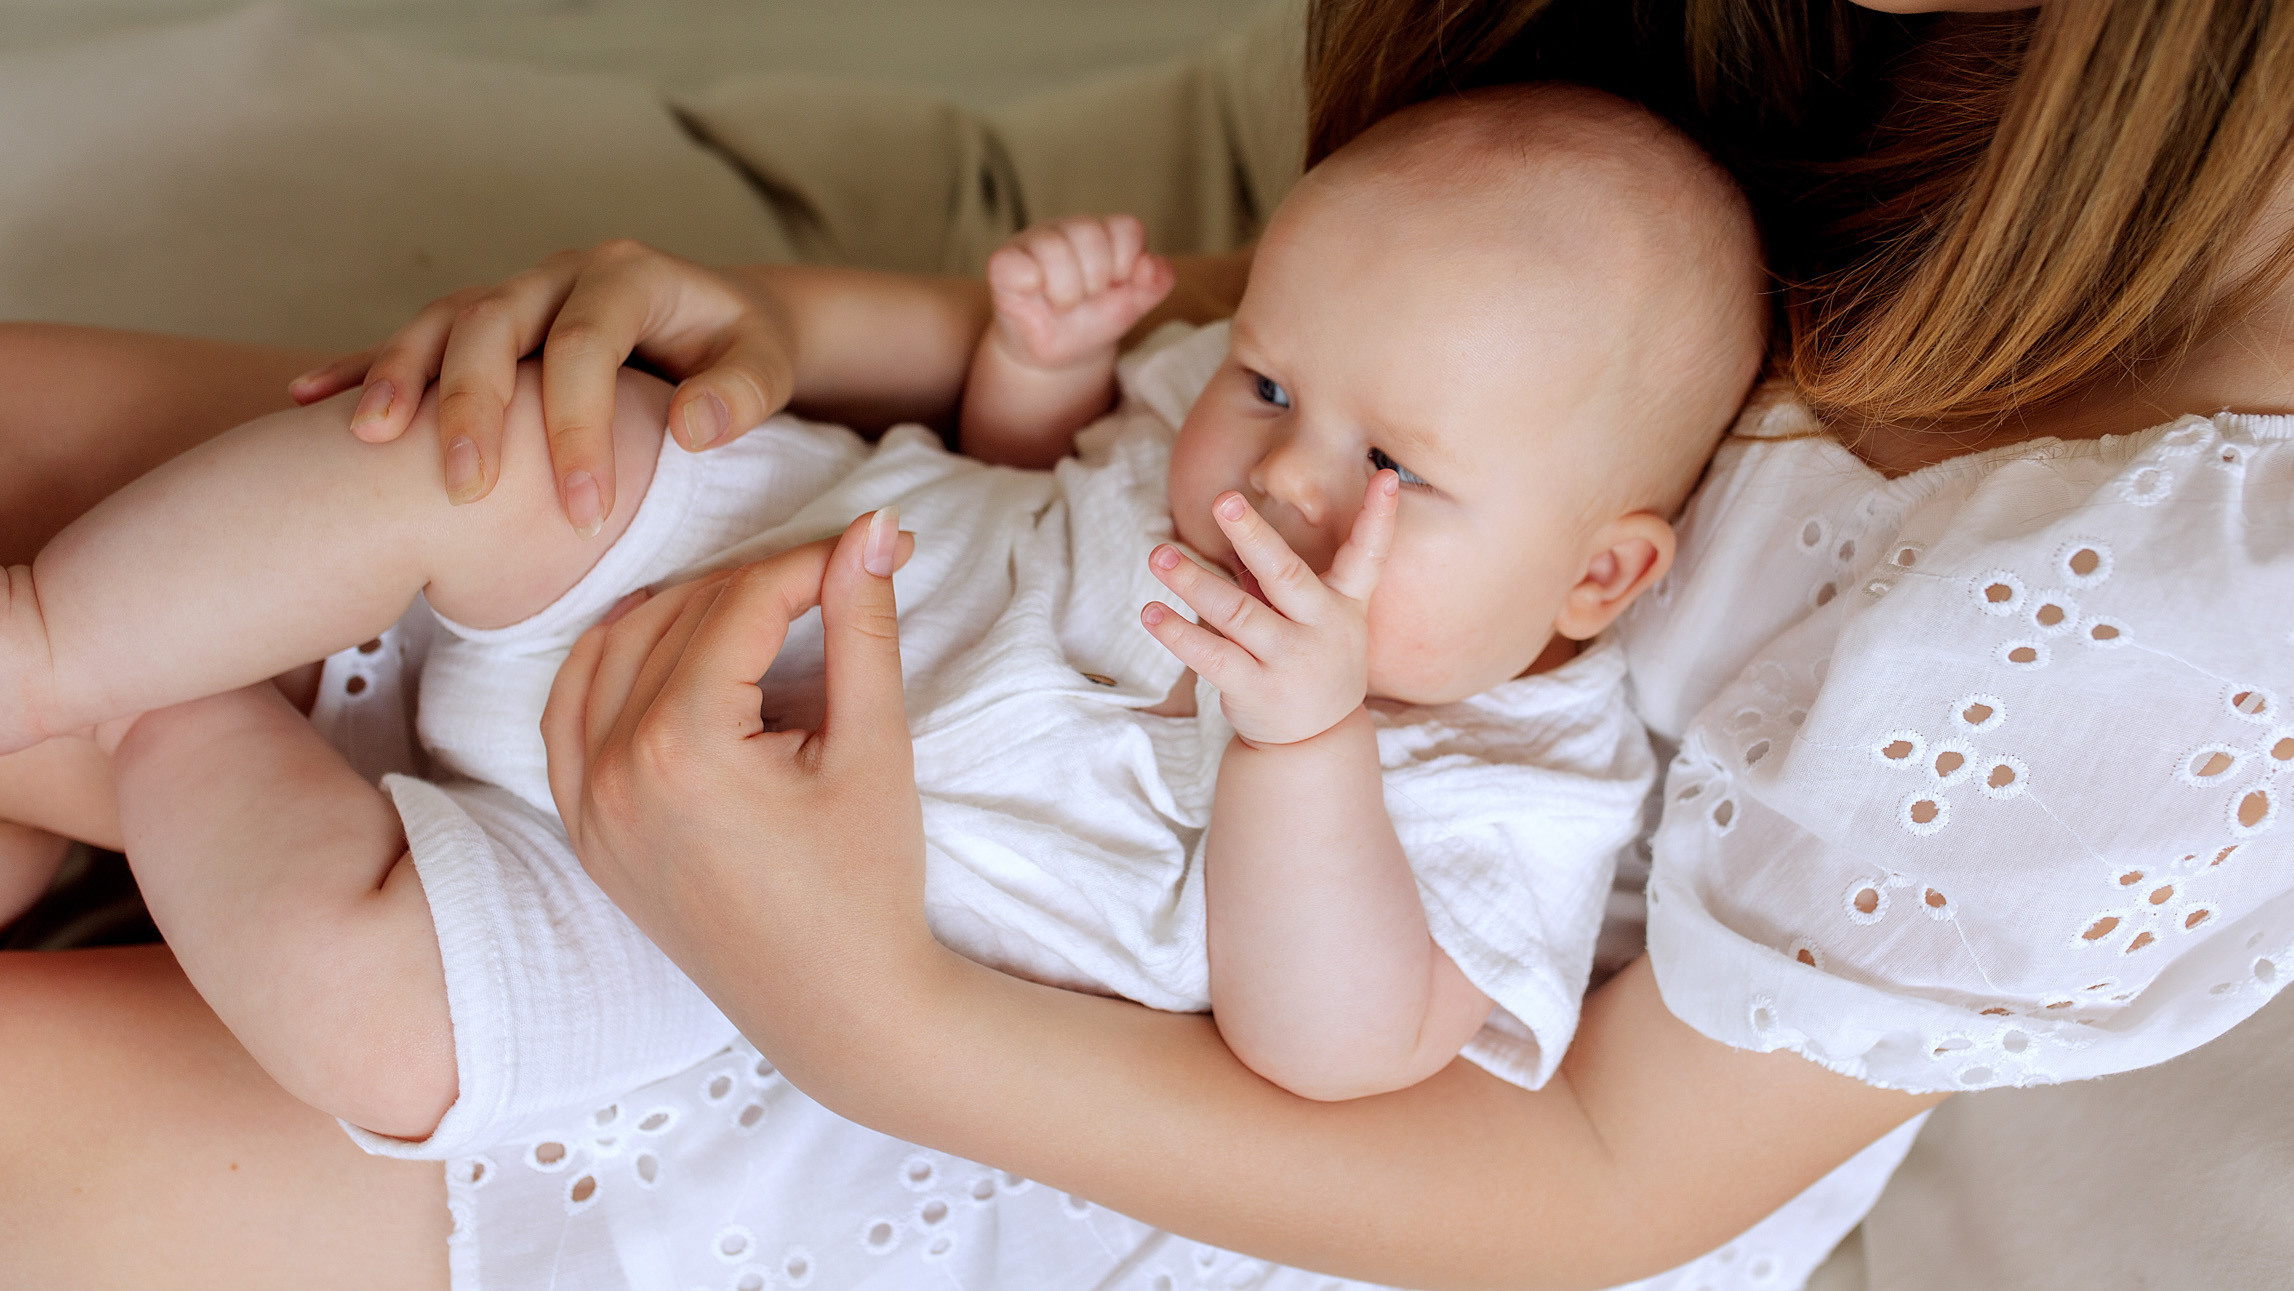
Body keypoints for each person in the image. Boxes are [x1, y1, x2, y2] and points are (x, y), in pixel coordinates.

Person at [3, 0, 2294, 1286]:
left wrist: (867, 1007)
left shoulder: (2252, 572)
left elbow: (1578, 1183)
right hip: (964, 643)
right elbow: (1295, 339)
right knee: (96, 467)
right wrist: (812, 322)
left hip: (1077, 1067)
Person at [0, 90, 1759, 1143]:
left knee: (384, 1035)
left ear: (1594, 577)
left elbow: (1335, 1046)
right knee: (517, 447)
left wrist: (1302, 745)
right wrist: (1041, 366)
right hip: (716, 559)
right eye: (1270, 379)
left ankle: (165, 719)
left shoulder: (1519, 782)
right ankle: (48, 650)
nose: (1280, 474)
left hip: (698, 927)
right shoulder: (1199, 450)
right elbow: (1024, 491)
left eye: (1395, 466)